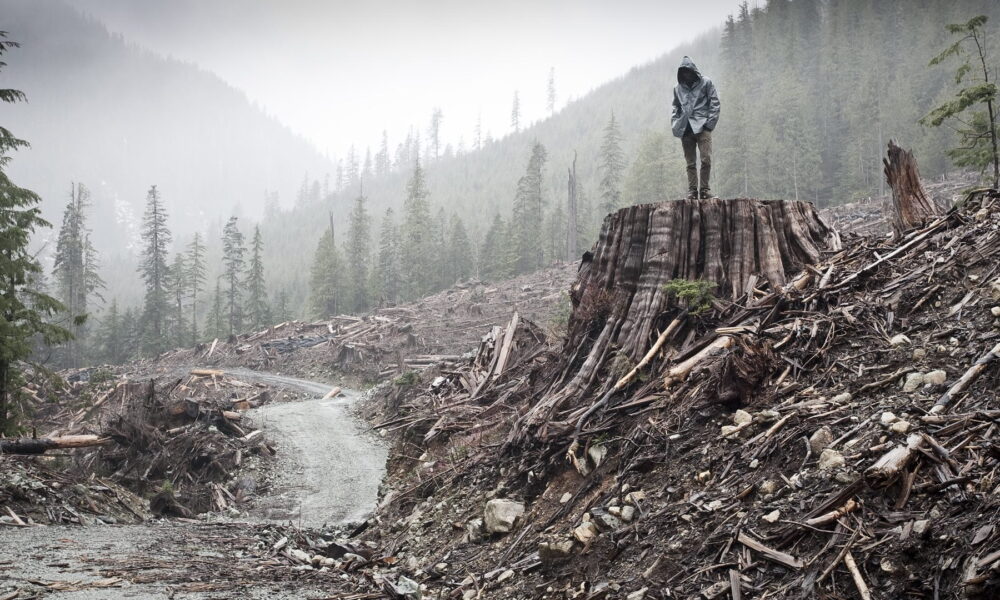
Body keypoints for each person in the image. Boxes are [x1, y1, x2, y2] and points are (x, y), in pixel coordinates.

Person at [671, 56, 720, 199]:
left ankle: (704, 190)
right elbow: (675, 107)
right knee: (690, 163)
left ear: (693, 70)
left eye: (688, 71)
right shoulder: (677, 88)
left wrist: (709, 124)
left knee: (706, 159)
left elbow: (715, 103)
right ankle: (692, 191)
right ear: (681, 73)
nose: (686, 74)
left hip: (703, 126)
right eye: (683, 72)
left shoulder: (706, 82)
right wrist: (676, 123)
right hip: (686, 129)